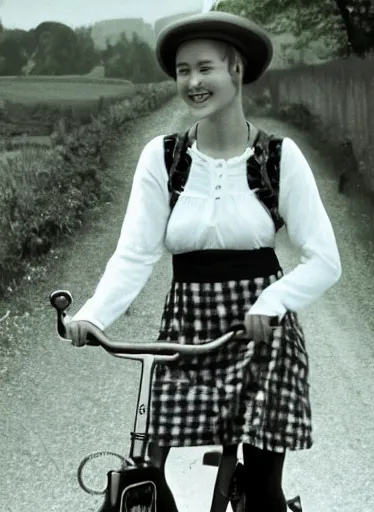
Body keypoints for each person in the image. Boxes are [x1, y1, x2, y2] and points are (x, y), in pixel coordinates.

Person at [67, 10, 341, 512]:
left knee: (261, 489)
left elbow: (325, 260)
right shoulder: (163, 157)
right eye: (182, 70)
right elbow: (135, 253)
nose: (192, 81)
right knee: (149, 469)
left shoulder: (278, 158)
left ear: (235, 70)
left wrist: (274, 301)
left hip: (260, 335)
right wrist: (93, 315)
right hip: (186, 330)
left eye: (205, 67)